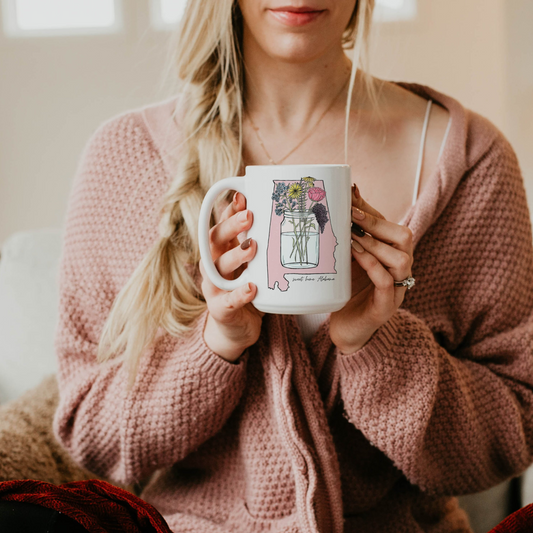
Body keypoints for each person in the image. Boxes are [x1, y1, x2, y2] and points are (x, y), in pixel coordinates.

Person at [3, 0, 532, 532]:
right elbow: (91, 435)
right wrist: (216, 344)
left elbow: (513, 434)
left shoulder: (468, 161)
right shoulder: (126, 157)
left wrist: (378, 344)